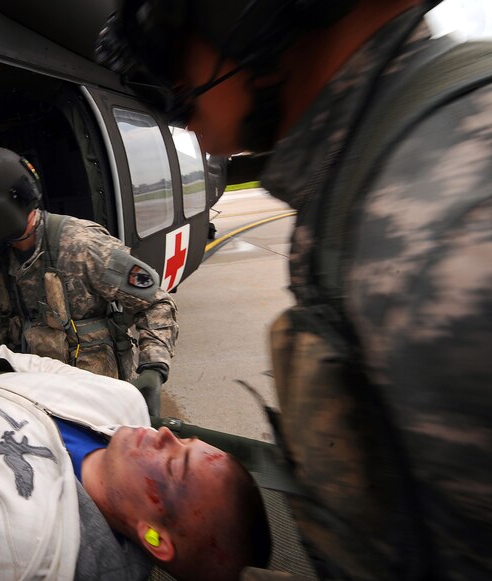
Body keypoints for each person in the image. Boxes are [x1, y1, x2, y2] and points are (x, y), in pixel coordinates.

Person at [97, 0, 492, 579]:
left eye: (178, 56)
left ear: (248, 16)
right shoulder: (370, 177)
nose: (178, 95)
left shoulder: (439, 224)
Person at [0, 344, 270, 581]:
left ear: (153, 537)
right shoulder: (126, 404)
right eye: (182, 440)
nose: (164, 433)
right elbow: (47, 369)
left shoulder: (25, 539)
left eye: (173, 465)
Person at [0, 147, 179, 416]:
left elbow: (156, 302)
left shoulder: (80, 245)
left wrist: (153, 369)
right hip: (40, 397)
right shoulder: (3, 261)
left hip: (100, 398)